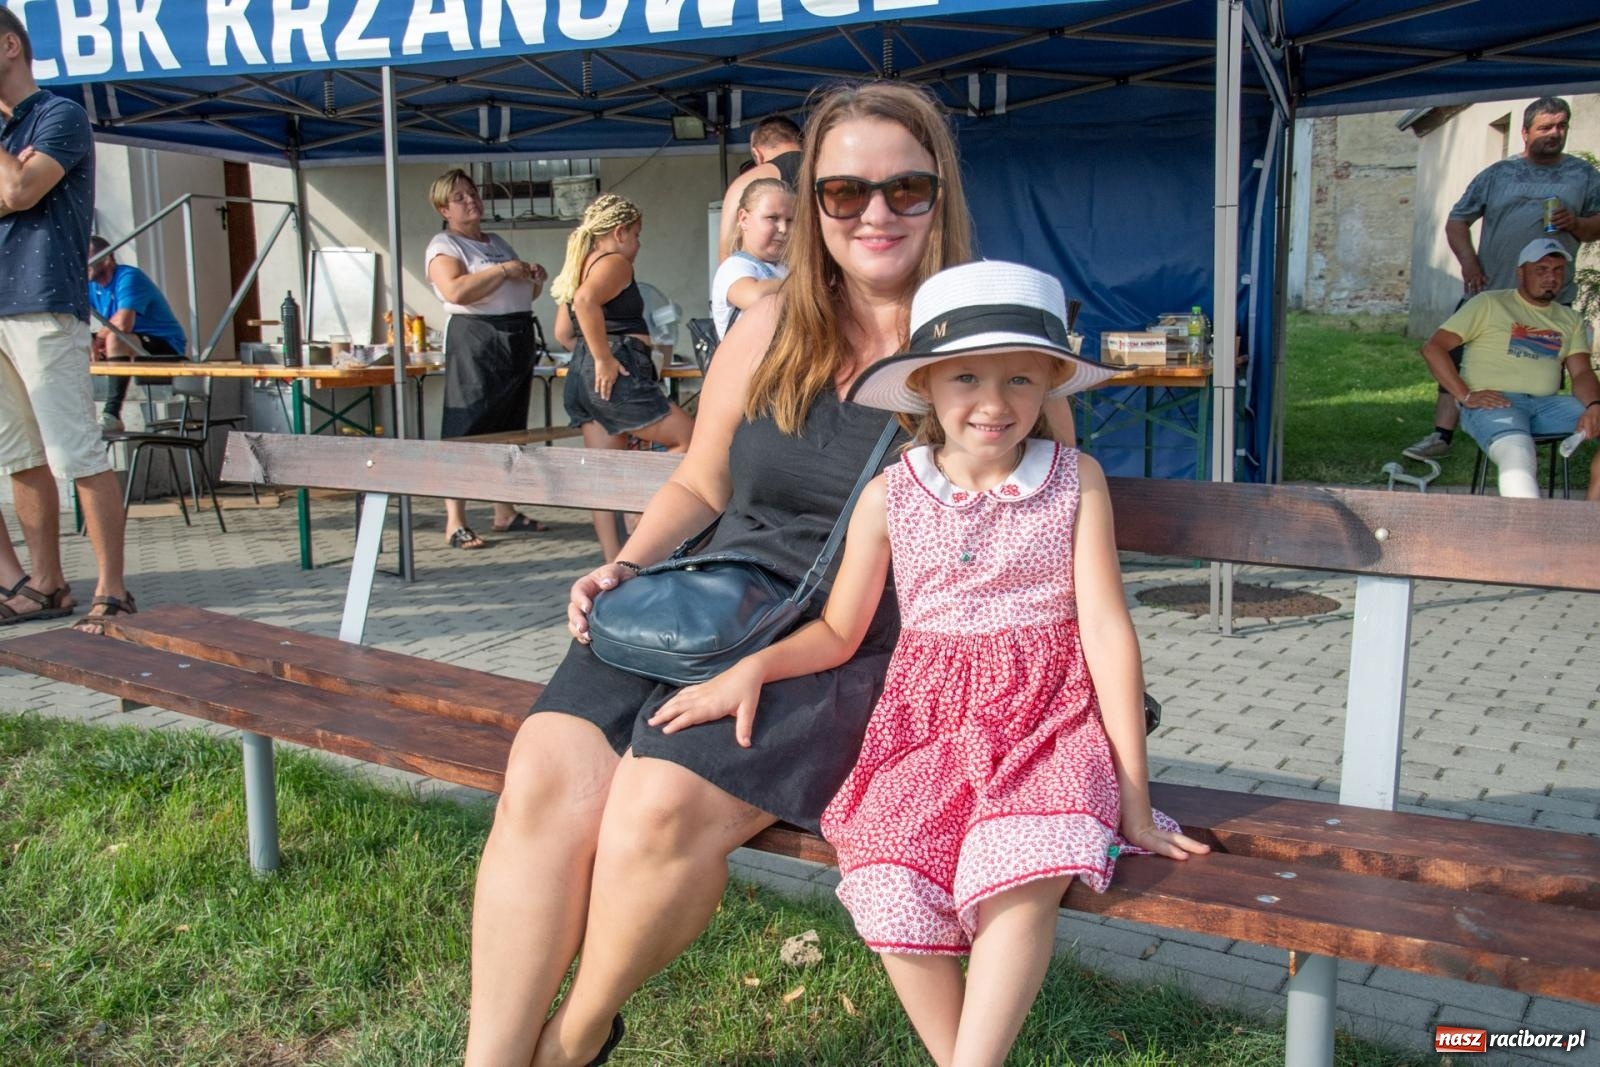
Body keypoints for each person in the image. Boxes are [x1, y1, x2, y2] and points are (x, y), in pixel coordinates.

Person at [465, 81, 1069, 1067]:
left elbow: (1042, 526)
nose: (874, 213)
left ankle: (571, 1042)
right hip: (709, 597)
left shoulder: (989, 340)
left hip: (858, 634)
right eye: (844, 193)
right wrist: (621, 564)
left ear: (939, 196)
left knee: (656, 802)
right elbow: (701, 480)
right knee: (543, 770)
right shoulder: (772, 322)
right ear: (814, 203)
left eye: (904, 189)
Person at [653, 261, 1206, 1066]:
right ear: (925, 386)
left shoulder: (1073, 481)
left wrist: (1133, 796)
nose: (995, 401)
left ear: (1053, 380)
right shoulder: (891, 495)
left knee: (1015, 869)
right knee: (884, 870)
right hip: (926, 731)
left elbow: (1108, 630)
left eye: (1022, 377)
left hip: (1046, 725)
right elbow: (840, 632)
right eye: (967, 377)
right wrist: (754, 668)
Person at [0, 9, 135, 631]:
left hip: (44, 301)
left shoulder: (59, 115)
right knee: (19, 455)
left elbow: (20, 194)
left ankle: (114, 587)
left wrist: (13, 170)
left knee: (74, 451)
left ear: (9, 46)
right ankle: (47, 583)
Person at [1406, 96, 1600, 461]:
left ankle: (1529, 428)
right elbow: (1457, 220)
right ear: (1524, 132)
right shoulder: (1498, 174)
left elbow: (1598, 225)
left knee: (1536, 363)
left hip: (1551, 296)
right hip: (1492, 289)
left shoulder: (1584, 176)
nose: (1554, 134)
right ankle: (1440, 436)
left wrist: (1576, 224)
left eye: (1561, 126)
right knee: (1457, 354)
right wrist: (1469, 263)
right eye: (1545, 127)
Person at [549, 193, 694, 562]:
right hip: (613, 369)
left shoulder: (578, 264)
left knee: (604, 476)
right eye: (637, 235)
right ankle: (649, 535)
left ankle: (615, 562)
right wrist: (604, 358)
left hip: (582, 378)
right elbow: (585, 302)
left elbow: (564, 332)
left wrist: (591, 355)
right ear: (619, 232)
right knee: (687, 438)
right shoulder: (614, 262)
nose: (638, 245)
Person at [425, 168, 552, 550]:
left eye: (473, 193)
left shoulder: (495, 241)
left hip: (515, 334)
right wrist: (503, 270)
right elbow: (456, 290)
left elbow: (521, 295)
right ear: (444, 209)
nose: (471, 201)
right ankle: (455, 521)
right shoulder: (445, 245)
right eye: (460, 197)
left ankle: (504, 510)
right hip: (476, 338)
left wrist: (534, 278)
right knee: (468, 427)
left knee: (509, 426)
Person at [1418, 238, 1600, 500]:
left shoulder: (1569, 318)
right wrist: (1465, 396)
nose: (1551, 278)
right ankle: (1528, 537)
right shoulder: (1489, 303)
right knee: (1517, 453)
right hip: (1495, 402)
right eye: (1541, 270)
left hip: (1548, 405)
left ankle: (1589, 524)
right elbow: (1433, 348)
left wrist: (1594, 405)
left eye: (1558, 270)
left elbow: (1581, 373)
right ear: (1520, 272)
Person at [86, 234, 188, 432]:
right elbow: (76, 320)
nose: (82, 263)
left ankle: (112, 414)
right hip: (134, 348)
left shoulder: (128, 276)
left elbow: (124, 323)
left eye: (88, 258)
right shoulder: (90, 286)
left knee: (116, 337)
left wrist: (99, 338)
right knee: (75, 340)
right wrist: (90, 340)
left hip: (165, 349)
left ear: (106, 258)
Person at [709, 177, 793, 339]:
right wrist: (804, 283)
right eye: (772, 218)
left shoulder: (785, 268)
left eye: (790, 220)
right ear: (744, 219)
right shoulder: (734, 267)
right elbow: (755, 297)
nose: (783, 228)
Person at [715, 115, 803, 262]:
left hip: (772, 281)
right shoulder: (831, 169)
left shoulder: (747, 181)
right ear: (802, 143)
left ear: (757, 154)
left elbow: (728, 253)